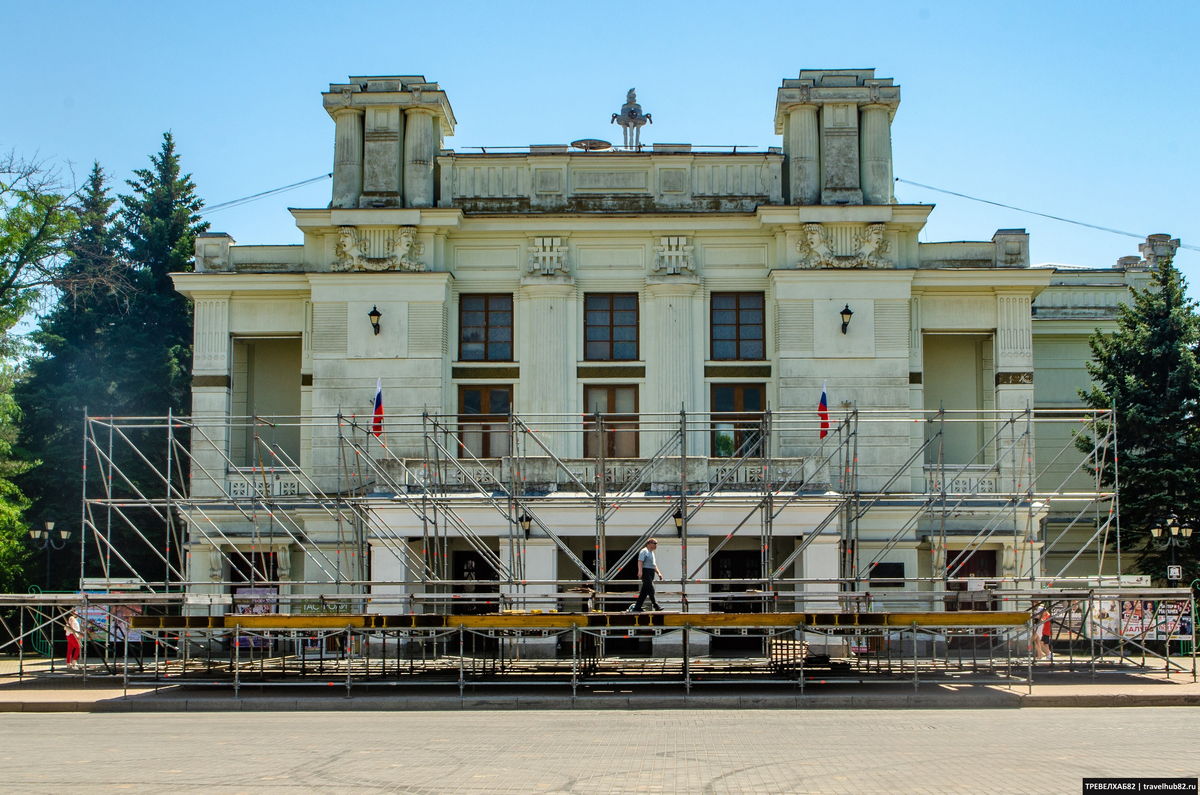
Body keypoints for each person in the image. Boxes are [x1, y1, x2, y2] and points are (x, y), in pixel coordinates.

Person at [628, 538, 663, 612]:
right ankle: (655, 605)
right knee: (651, 589)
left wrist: (658, 573)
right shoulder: (644, 551)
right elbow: (640, 561)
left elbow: (653, 565)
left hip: (651, 571)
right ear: (649, 543)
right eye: (654, 543)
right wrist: (640, 571)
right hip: (646, 571)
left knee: (644, 591)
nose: (656, 545)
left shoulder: (652, 553)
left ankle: (638, 606)